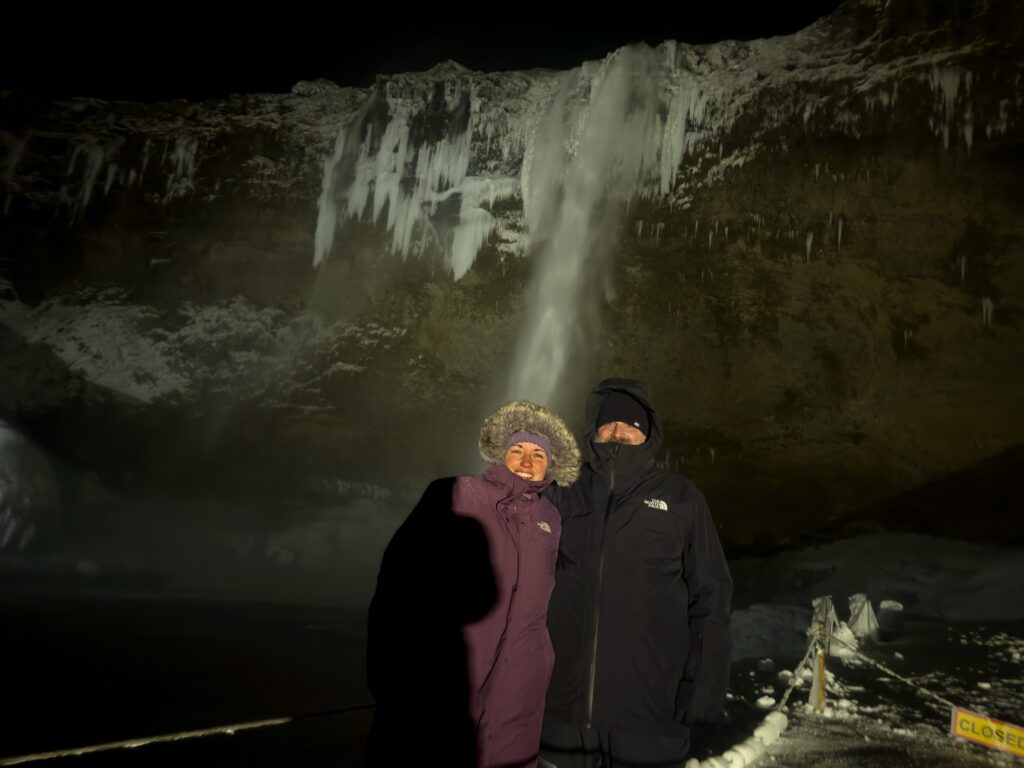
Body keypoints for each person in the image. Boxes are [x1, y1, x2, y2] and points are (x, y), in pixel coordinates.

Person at [366, 400, 581, 767]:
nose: (527, 462)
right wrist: (385, 664)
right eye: (517, 450)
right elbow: (397, 579)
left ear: (552, 466)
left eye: (538, 455)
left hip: (520, 685)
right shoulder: (456, 493)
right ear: (501, 454)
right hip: (447, 676)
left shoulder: (551, 519)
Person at [541, 378, 733, 767]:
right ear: (594, 430)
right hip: (561, 711)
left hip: (650, 712)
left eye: (631, 425)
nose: (619, 432)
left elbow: (711, 595)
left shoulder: (681, 497)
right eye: (609, 423)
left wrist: (704, 688)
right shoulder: (563, 492)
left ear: (648, 433)